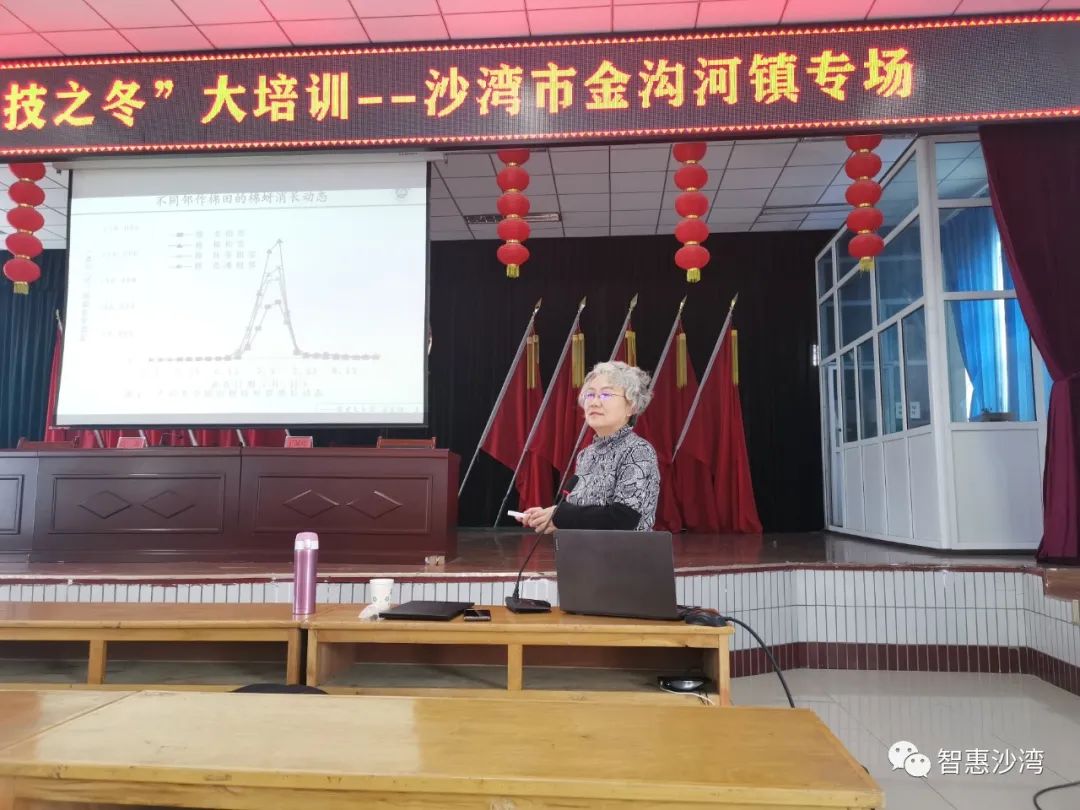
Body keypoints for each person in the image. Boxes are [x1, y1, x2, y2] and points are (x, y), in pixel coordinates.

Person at [519, 361, 660, 533]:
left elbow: (624, 518)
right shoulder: (586, 455)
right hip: (584, 549)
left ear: (631, 406)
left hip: (626, 550)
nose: (594, 402)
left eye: (606, 395)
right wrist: (547, 516)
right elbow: (581, 513)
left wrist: (560, 516)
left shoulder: (638, 450)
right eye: (590, 395)